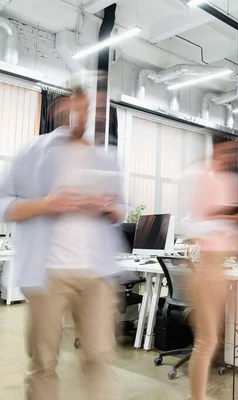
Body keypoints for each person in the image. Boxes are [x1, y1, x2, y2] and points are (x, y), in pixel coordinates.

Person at [0, 86, 125, 400]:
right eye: (77, 108)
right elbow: (3, 204)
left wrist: (107, 208)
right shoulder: (32, 151)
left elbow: (120, 210)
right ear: (60, 108)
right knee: (43, 362)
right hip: (48, 273)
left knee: (99, 357)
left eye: (90, 110)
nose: (83, 116)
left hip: (95, 274)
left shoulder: (105, 158)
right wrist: (45, 204)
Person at [181, 139, 238, 400]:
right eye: (230, 150)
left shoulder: (226, 183)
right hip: (207, 269)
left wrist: (230, 218)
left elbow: (222, 225)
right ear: (217, 150)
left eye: (237, 152)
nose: (233, 157)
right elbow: (192, 224)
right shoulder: (202, 178)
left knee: (212, 341)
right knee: (207, 342)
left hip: (220, 269)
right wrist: (226, 219)